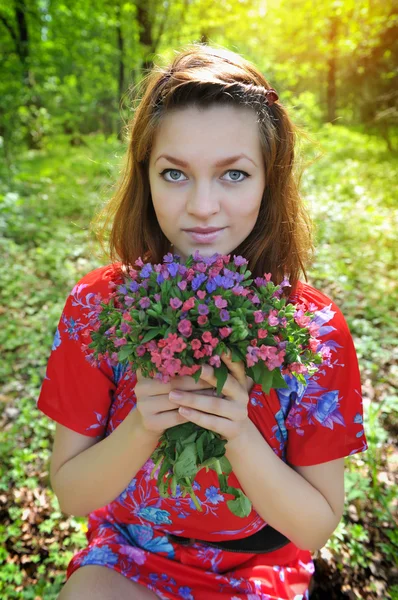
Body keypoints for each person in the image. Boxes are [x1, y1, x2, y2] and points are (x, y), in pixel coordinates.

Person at [36, 43, 368, 600]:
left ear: (270, 179)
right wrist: (144, 424)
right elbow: (72, 495)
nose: (203, 206)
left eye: (234, 175)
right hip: (129, 554)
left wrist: (237, 431)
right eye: (175, 173)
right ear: (146, 177)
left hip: (257, 565)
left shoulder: (314, 331)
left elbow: (314, 527)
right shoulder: (98, 308)